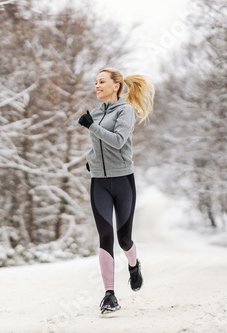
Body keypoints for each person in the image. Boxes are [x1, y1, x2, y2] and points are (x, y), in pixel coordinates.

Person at [78, 67, 154, 314]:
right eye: (96, 82)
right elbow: (99, 145)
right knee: (105, 237)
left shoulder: (126, 110)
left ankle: (133, 264)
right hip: (99, 181)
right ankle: (109, 295)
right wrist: (92, 160)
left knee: (123, 239)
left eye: (102, 81)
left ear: (116, 86)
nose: (97, 85)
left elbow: (118, 140)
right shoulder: (96, 113)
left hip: (123, 181)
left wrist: (91, 127)